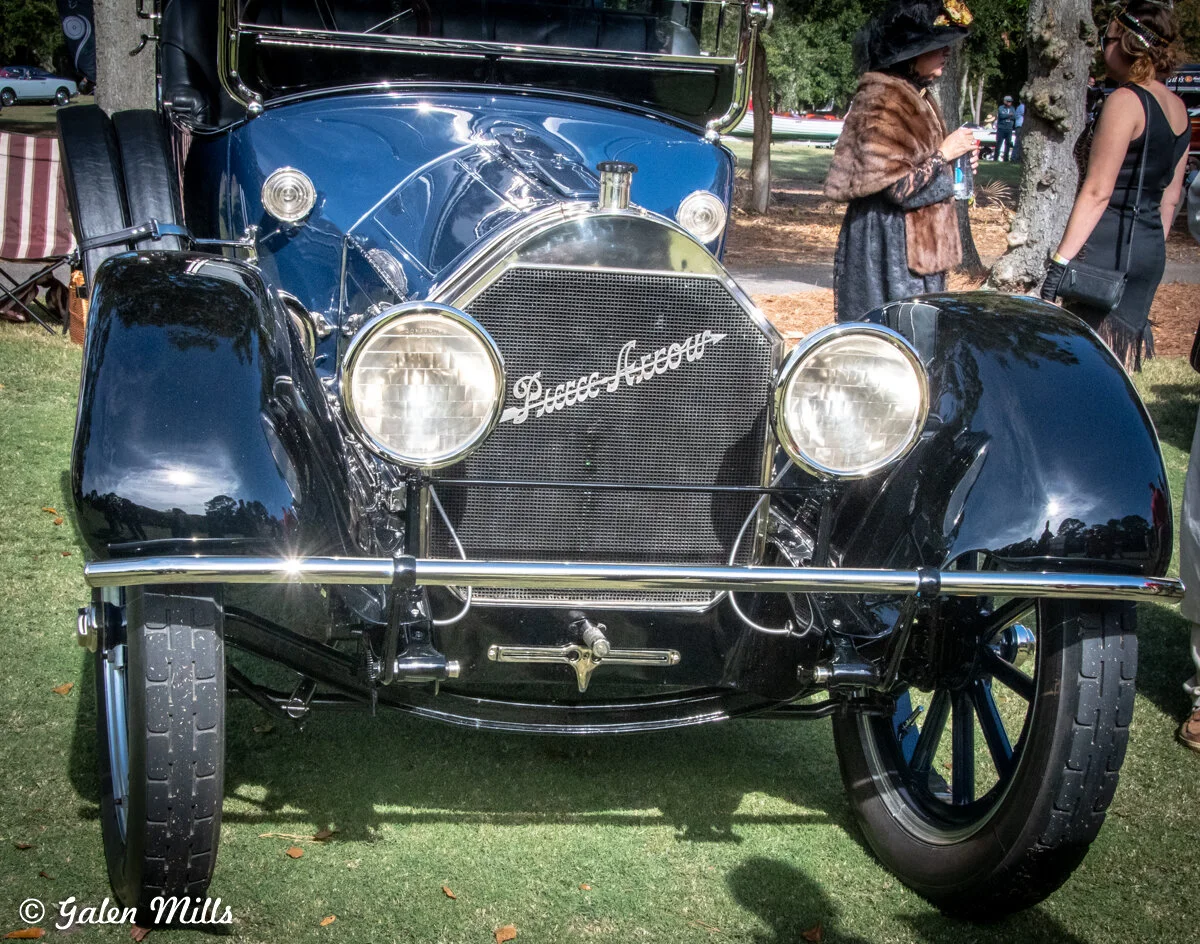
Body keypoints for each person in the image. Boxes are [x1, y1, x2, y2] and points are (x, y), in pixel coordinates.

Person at [1041, 0, 1189, 371]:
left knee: (1083, 369)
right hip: (1149, 249)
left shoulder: (1125, 101)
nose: (1100, 47)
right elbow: (1171, 198)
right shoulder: (1178, 107)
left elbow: (1098, 191)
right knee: (1115, 370)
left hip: (1107, 249)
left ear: (1125, 43)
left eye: (1105, 39)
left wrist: (1060, 262)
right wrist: (1147, 245)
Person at [825, 0, 978, 322]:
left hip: (915, 247)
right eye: (937, 46)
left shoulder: (915, 94)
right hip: (887, 245)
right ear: (911, 53)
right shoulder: (884, 98)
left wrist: (955, 164)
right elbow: (897, 187)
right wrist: (944, 155)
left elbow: (919, 168)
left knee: (916, 336)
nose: (946, 52)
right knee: (891, 337)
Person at [994, 95, 1016, 160]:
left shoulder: (1012, 108)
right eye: (1008, 101)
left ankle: (1006, 158)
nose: (1010, 103)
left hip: (1009, 129)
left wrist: (1007, 116)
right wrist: (1009, 115)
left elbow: (1014, 117)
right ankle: (995, 158)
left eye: (1010, 101)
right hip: (1001, 128)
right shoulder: (1001, 108)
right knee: (999, 143)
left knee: (1008, 144)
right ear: (1005, 101)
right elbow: (1001, 116)